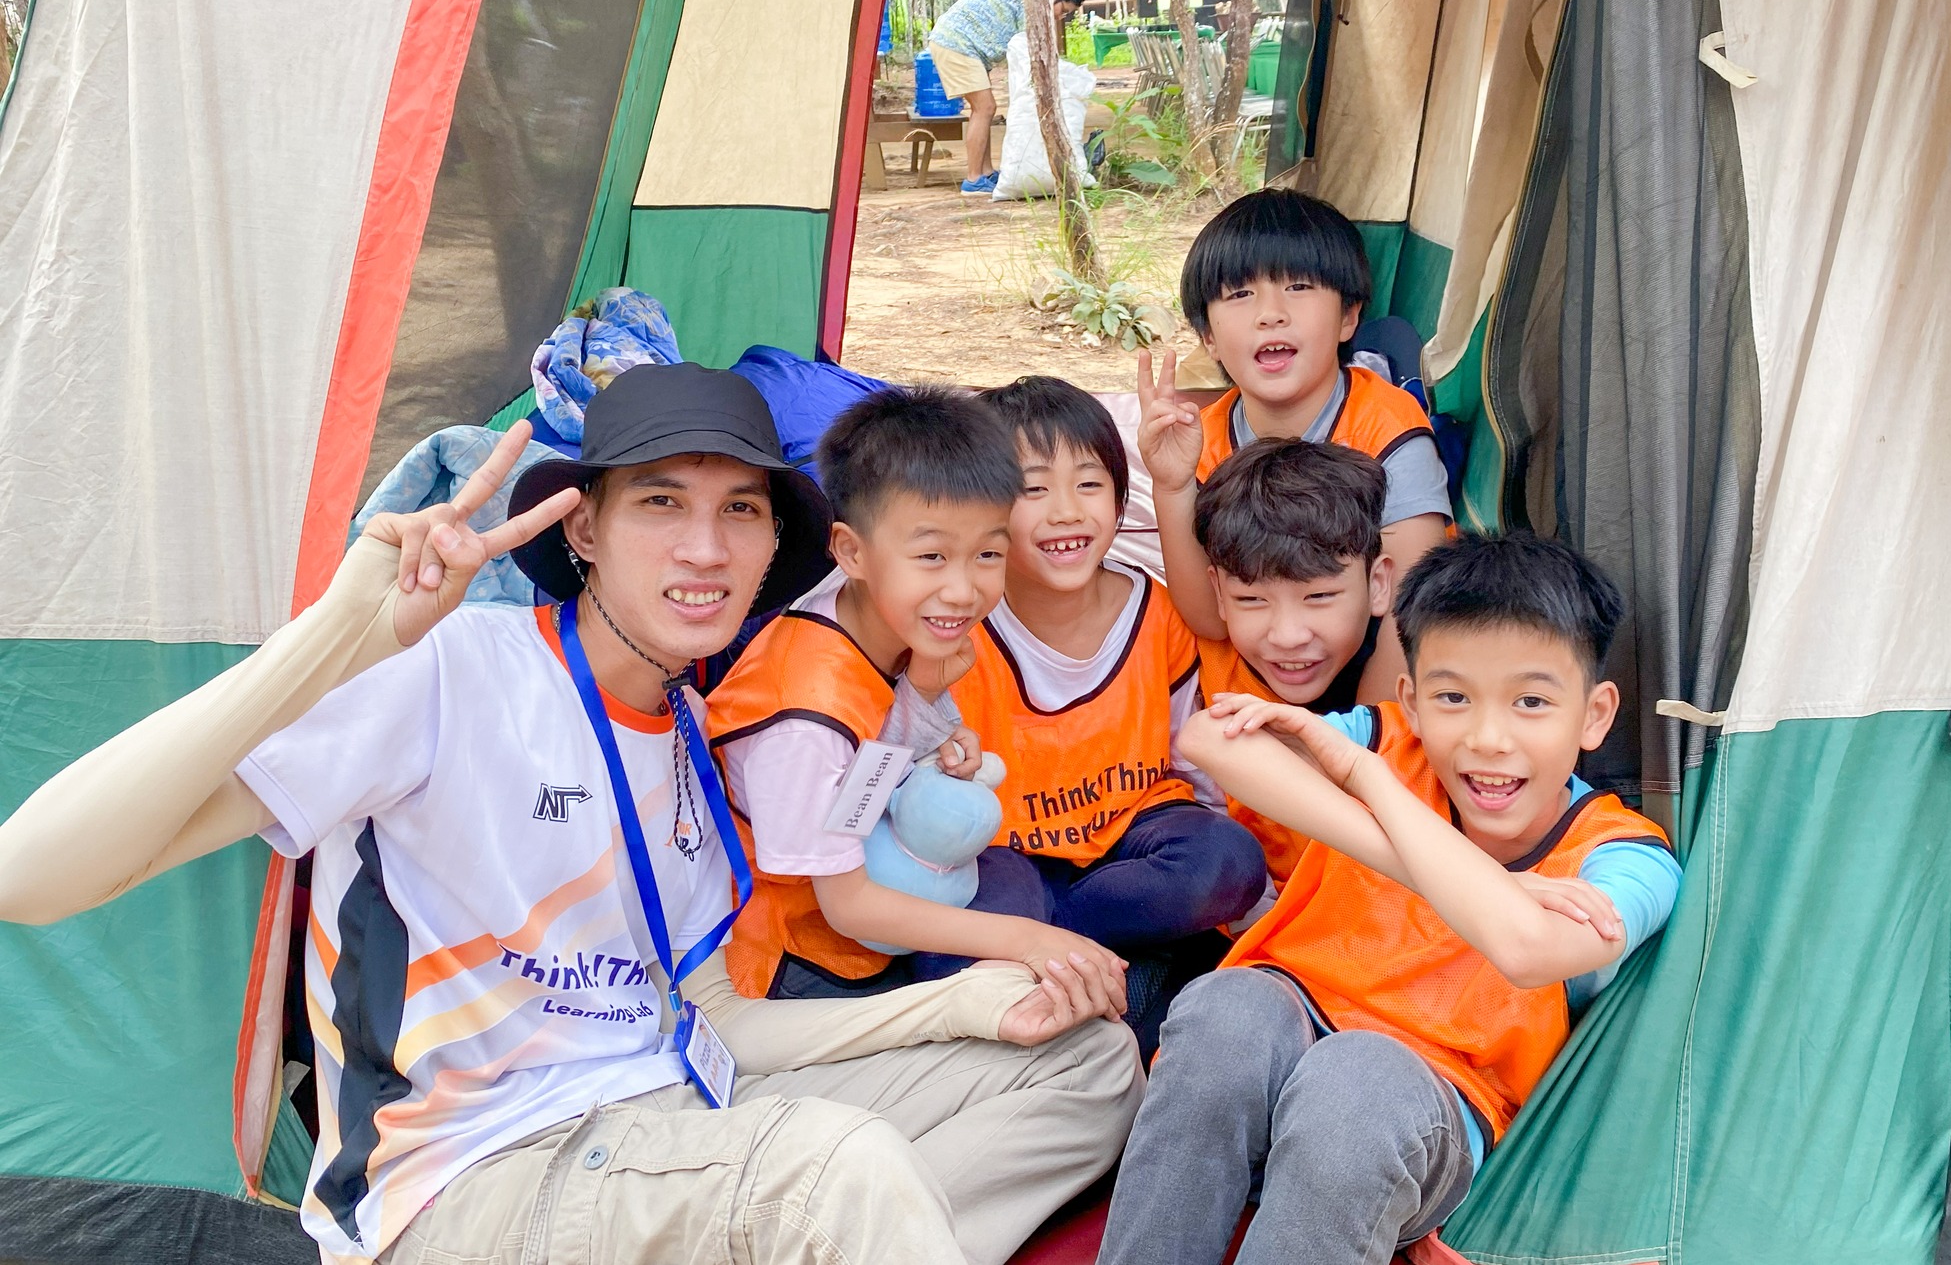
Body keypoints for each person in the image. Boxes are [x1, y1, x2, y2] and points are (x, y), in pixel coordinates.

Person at [0, 363, 1141, 1265]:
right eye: (659, 505)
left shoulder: (690, 744)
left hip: (668, 1118)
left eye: (739, 510)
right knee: (829, 1164)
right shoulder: (450, 672)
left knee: (1083, 1061)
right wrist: (341, 631)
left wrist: (962, 1008)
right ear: (582, 529)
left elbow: (711, 1027)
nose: (704, 548)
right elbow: (31, 875)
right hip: (467, 1181)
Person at [1099, 533, 1683, 1265]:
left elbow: (1530, 949)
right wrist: (1418, 839)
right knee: (1225, 1007)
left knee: (1355, 1080)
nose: (1488, 737)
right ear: (1411, 697)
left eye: (1532, 700)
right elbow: (1214, 739)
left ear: (1594, 713)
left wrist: (1367, 783)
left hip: (1426, 1098)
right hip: (1291, 1027)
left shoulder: (1625, 853)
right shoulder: (1391, 739)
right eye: (1452, 697)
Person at [708, 385, 1130, 1012]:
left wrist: (925, 700)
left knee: (1008, 880)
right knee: (1022, 977)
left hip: (863, 882)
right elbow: (848, 905)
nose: (962, 590)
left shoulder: (876, 618)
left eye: (988, 553)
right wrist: (1029, 940)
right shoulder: (805, 716)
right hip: (788, 956)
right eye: (932, 556)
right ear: (850, 550)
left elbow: (864, 772)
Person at [939, 378, 1267, 1031]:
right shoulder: (958, 624)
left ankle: (1054, 946)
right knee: (958, 919)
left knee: (1228, 861)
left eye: (1089, 484)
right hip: (1006, 849)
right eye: (1034, 488)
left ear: (1121, 501)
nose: (1066, 511)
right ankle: (1079, 955)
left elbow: (1191, 757)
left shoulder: (1155, 612)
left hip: (1137, 839)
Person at [1139, 187, 1454, 702]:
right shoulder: (1206, 439)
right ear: (1209, 338)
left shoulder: (1387, 429)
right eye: (1240, 294)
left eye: (1300, 286)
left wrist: (1359, 744)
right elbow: (1209, 620)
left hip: (1383, 664)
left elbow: (1409, 619)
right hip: (1265, 661)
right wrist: (1172, 487)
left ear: (1349, 317)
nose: (1271, 314)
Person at [1188, 437, 1396, 887]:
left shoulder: (1428, 683)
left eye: (1319, 597)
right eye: (1251, 599)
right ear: (1219, 594)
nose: (1287, 636)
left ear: (1378, 583)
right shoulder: (1207, 667)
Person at [928, 0, 1083, 195]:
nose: (1061, 17)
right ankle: (973, 179)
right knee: (985, 107)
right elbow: (1029, 47)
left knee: (983, 109)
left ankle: (986, 172)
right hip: (956, 43)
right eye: (1063, 10)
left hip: (965, 47)